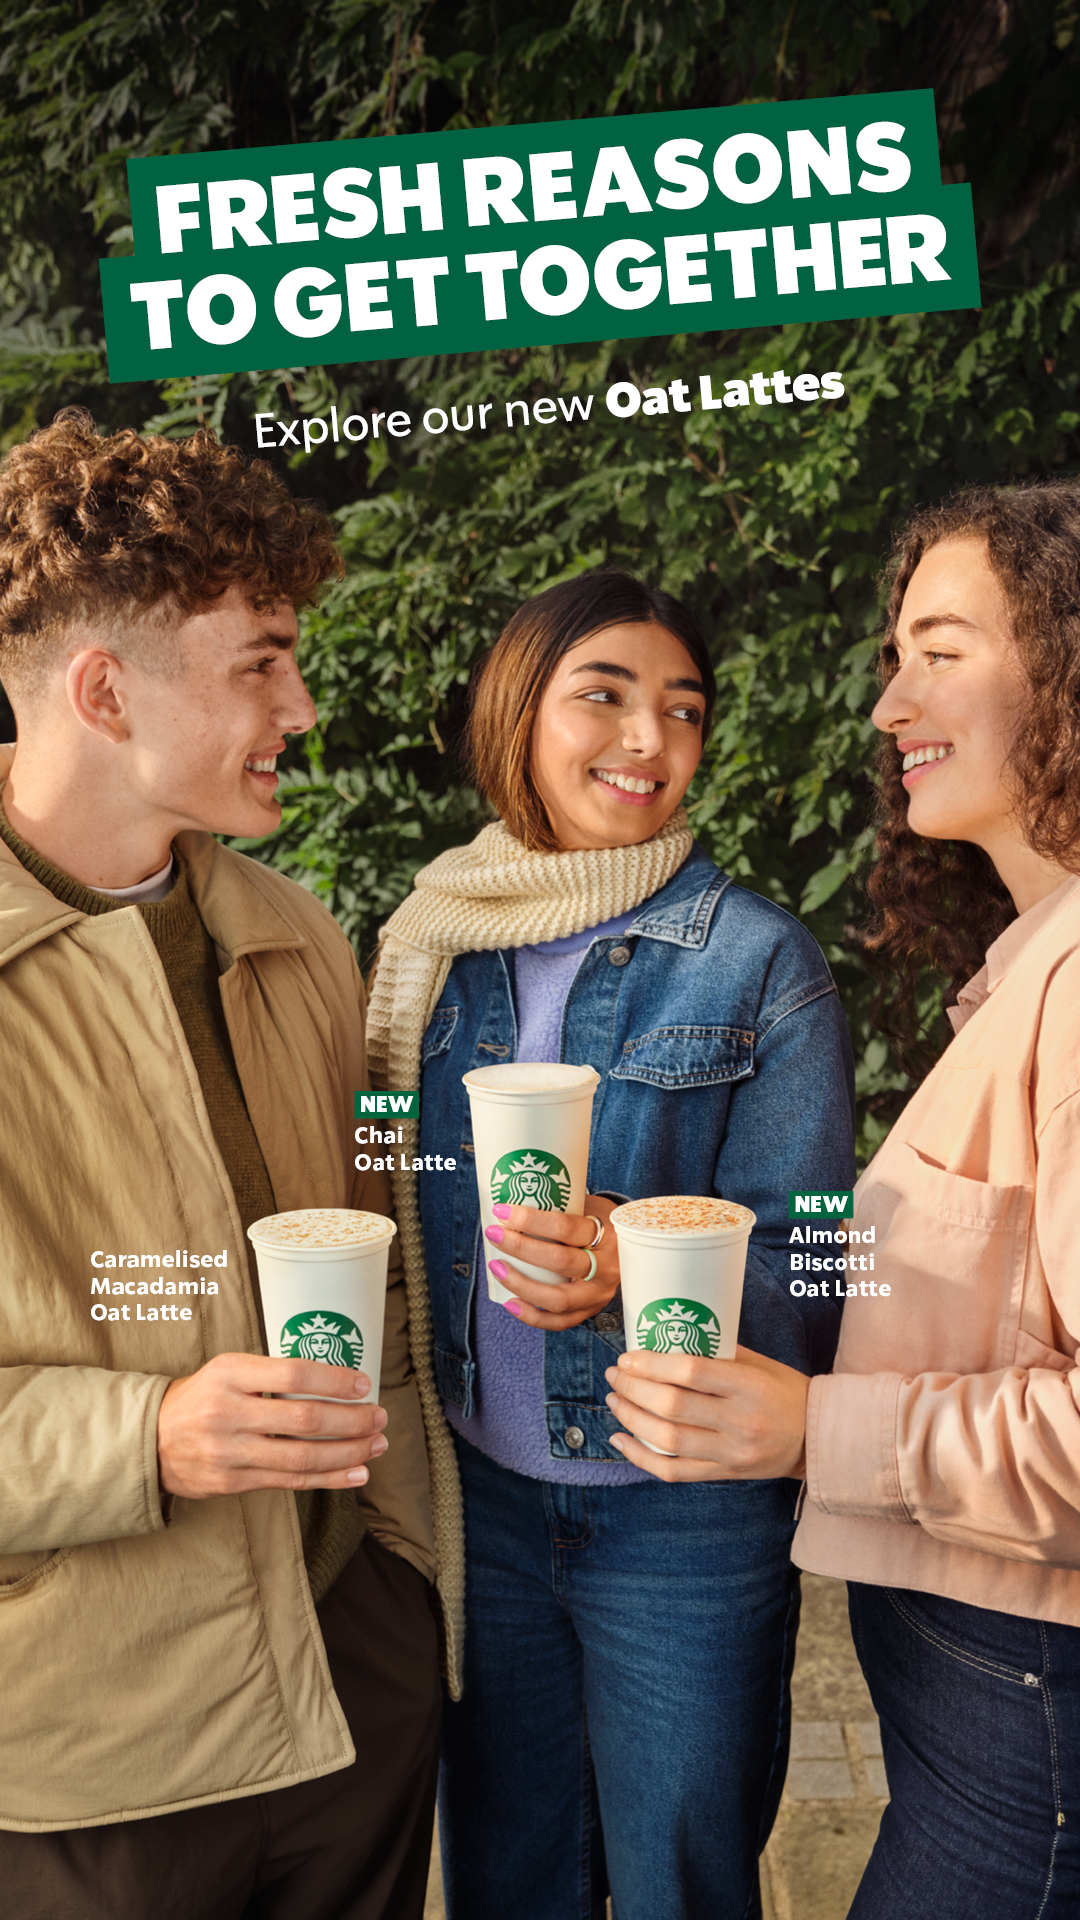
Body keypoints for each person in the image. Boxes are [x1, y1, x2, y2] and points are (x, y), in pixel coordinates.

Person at [604, 484, 1080, 1916]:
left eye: (940, 648)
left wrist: (811, 1426)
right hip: (982, 1708)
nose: (890, 702)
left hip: (1030, 1725)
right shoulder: (1025, 967)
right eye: (895, 654)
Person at [0, 413, 449, 1920]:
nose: (303, 706)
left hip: (353, 1679)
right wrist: (149, 1438)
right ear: (105, 689)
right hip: (98, 1767)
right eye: (260, 661)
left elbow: (376, 1227)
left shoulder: (293, 929)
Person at [365, 570, 856, 1920]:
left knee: (678, 1885)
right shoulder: (427, 949)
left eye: (682, 710)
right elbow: (377, 1183)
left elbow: (817, 1273)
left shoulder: (757, 961)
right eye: (606, 696)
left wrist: (633, 1263)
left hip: (681, 1522)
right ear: (516, 716)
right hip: (486, 1515)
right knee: (511, 1879)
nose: (649, 740)